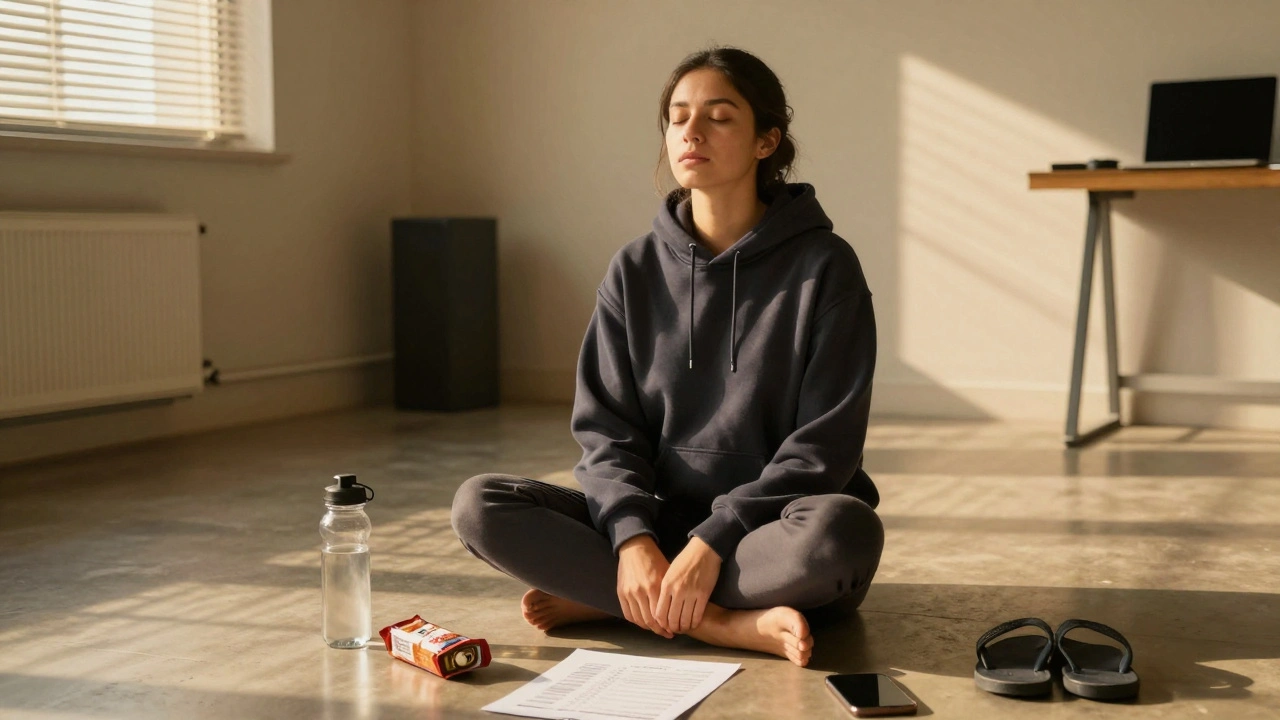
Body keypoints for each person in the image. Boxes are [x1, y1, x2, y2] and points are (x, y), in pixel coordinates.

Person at [451, 46, 883, 667]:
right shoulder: (634, 269)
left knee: (842, 534)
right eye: (678, 117)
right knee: (480, 506)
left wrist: (714, 540)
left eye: (719, 117)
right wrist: (632, 539)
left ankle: (620, 601)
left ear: (766, 142)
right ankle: (718, 622)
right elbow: (605, 431)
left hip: (764, 535)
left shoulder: (826, 267)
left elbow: (824, 449)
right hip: (658, 526)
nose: (691, 132)